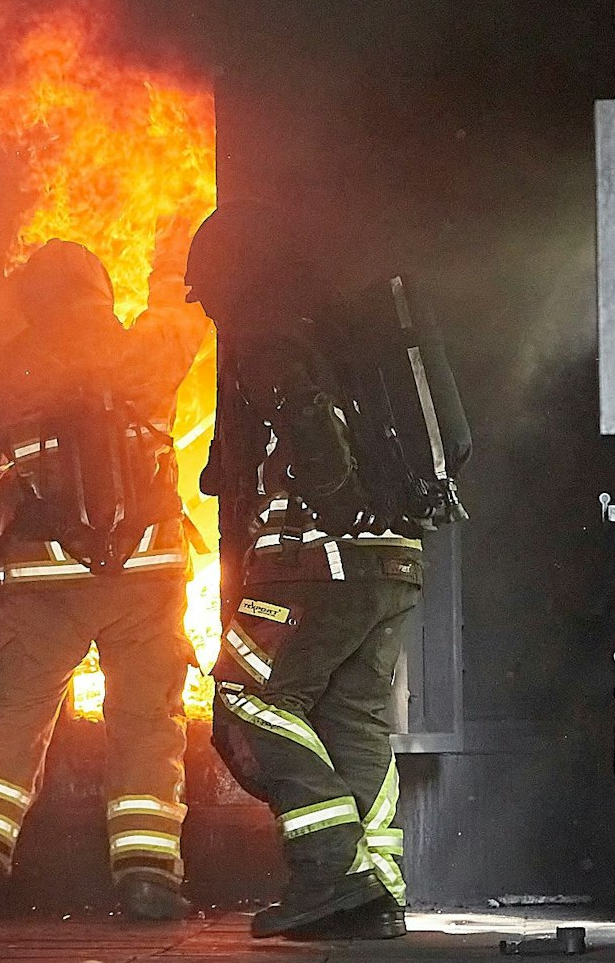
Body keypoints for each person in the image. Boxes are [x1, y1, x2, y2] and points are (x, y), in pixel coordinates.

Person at [0, 231, 208, 923]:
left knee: (13, 717)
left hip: (44, 581)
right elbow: (182, 327)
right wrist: (171, 273)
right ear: (99, 289)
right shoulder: (138, 347)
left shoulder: (14, 364)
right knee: (147, 722)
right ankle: (147, 874)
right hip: (147, 574)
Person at [184, 202, 433, 941]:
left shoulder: (268, 329)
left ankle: (332, 870)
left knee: (247, 696)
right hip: (394, 558)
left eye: (206, 293)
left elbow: (305, 420)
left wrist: (329, 501)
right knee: (350, 717)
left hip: (316, 560)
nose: (208, 311)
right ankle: (377, 893)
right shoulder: (342, 325)